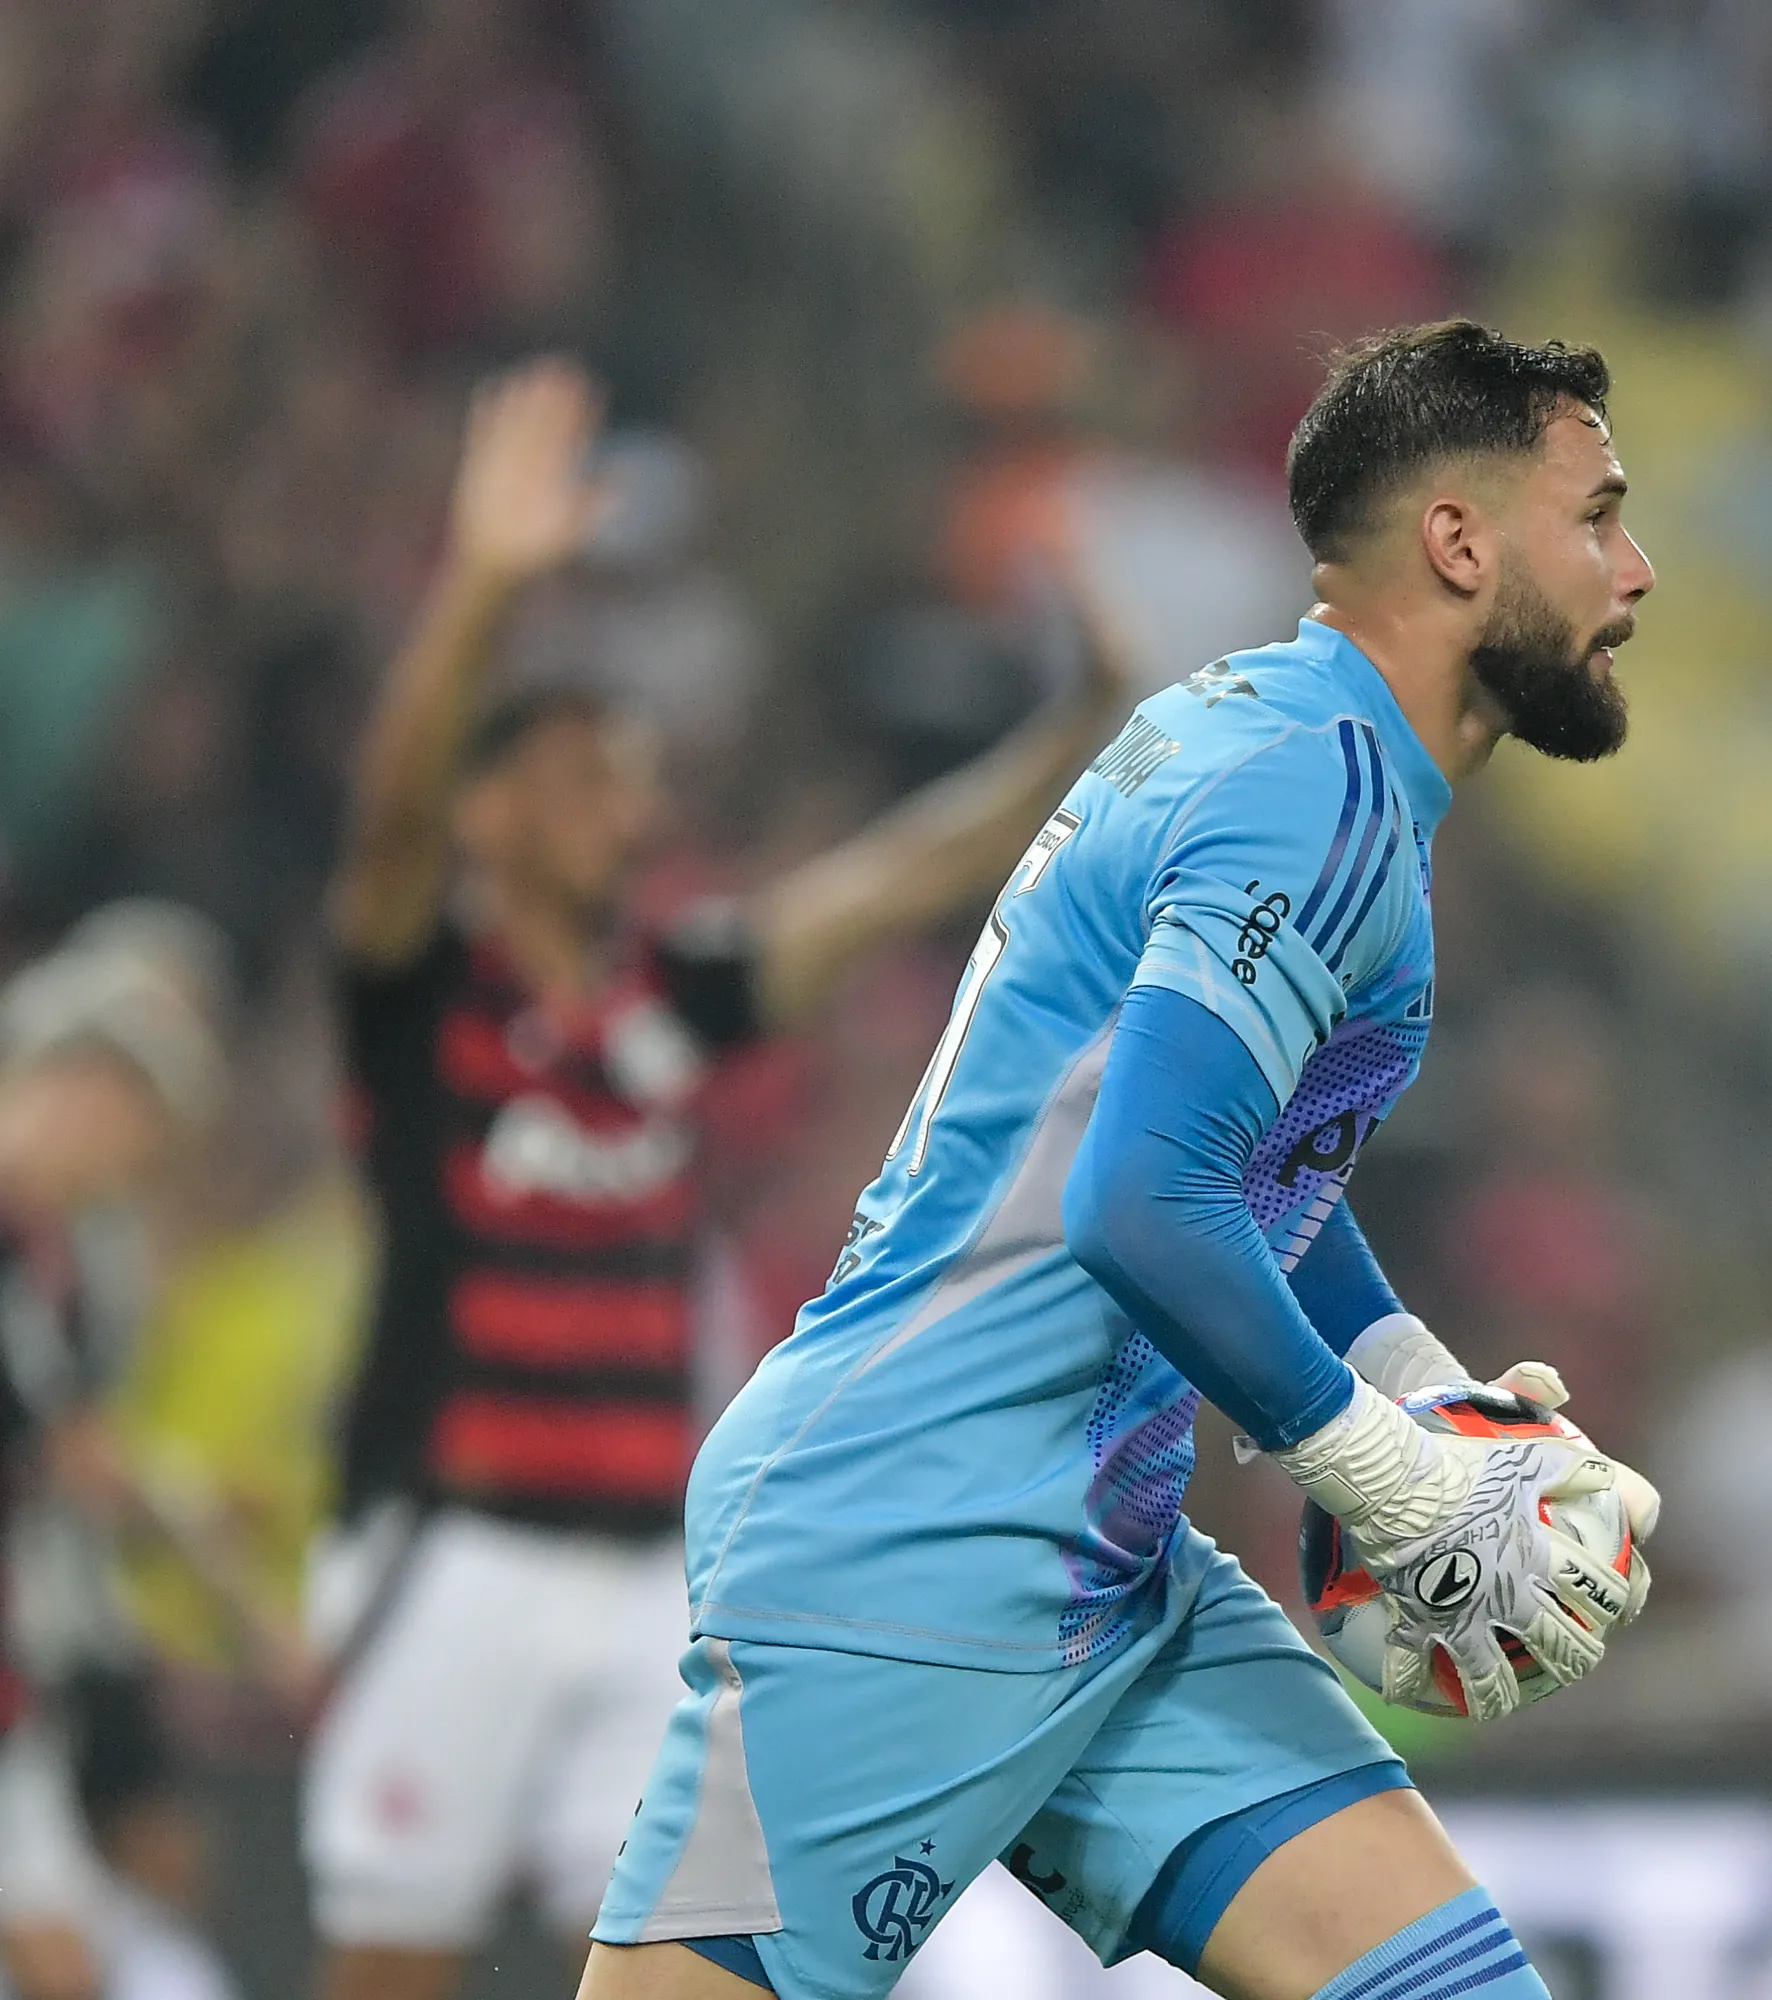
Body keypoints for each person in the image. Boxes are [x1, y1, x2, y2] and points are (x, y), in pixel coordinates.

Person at [579, 319, 1660, 2000]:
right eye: (1596, 514)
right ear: (1459, 544)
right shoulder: (1320, 794)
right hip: (909, 1539)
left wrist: (1409, 1373)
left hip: (1101, 1562)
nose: (1636, 568)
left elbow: (1238, 1159)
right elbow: (1140, 1199)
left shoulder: (1280, 735)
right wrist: (1385, 1471)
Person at [306, 356, 1129, 2000]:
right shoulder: (421, 996)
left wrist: (1078, 736)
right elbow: (386, 822)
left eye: (630, 773)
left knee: (690, 1970)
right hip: (445, 1544)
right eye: (575, 773)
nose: (620, 802)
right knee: (393, 1970)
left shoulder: (672, 999)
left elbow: (896, 878)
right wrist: (480, 589)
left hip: (639, 1574)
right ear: (488, 812)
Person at [0, 924, 232, 2000]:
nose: (132, 1171)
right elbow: (73, 1454)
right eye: (141, 1130)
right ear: (88, 1084)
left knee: (63, 1959)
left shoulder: (56, 1261)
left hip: (19, 1663)